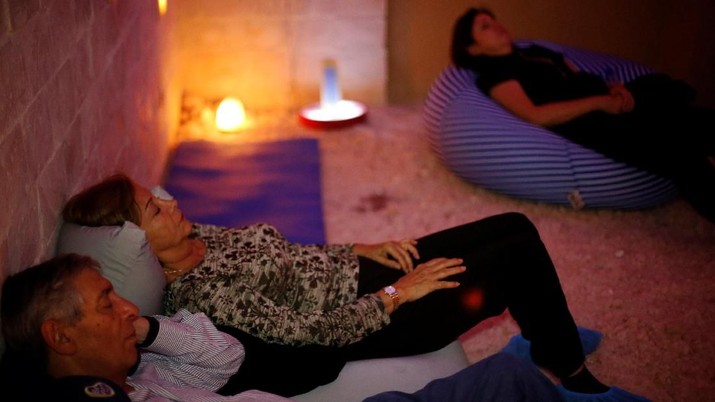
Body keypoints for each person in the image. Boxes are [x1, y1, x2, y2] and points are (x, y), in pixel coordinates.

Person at [61, 173, 646, 400]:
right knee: (509, 266)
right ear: (136, 242)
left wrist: (355, 249)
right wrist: (400, 293)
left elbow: (286, 255)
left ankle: (549, 340)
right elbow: (312, 335)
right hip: (365, 316)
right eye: (152, 209)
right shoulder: (203, 295)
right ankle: (570, 371)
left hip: (359, 274)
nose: (170, 203)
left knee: (513, 226)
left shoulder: (200, 236)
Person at [0, 253, 602, 402]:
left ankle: (552, 352)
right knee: (506, 380)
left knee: (509, 375)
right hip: (323, 352)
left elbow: (227, 359)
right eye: (108, 303)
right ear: (61, 336)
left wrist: (152, 330)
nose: (128, 307)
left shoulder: (145, 363)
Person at [450, 7, 715, 223]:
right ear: (473, 49)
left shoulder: (534, 52)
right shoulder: (496, 74)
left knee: (668, 95)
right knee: (680, 150)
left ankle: (664, 102)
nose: (496, 25)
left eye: (493, 19)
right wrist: (601, 103)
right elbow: (535, 115)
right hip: (591, 121)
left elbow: (579, 75)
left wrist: (614, 89)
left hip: (607, 100)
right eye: (485, 26)